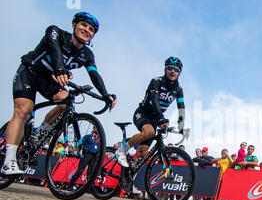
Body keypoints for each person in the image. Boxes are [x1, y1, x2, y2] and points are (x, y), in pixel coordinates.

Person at [2, 12, 117, 176]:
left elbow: (94, 74)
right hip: (29, 73)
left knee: (66, 101)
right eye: (84, 25)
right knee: (24, 111)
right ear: (74, 25)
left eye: (91, 29)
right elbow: (55, 50)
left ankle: (40, 133)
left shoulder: (87, 54)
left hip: (49, 81)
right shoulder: (55, 32)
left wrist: (106, 95)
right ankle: (9, 161)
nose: (87, 30)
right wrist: (60, 68)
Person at [117, 57, 185, 168]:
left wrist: (181, 124)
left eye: (176, 69)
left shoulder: (179, 89)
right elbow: (154, 100)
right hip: (143, 113)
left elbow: (181, 107)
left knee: (142, 154)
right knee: (149, 133)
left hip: (155, 118)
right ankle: (122, 150)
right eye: (170, 68)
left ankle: (129, 178)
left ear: (179, 72)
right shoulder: (156, 81)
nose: (173, 71)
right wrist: (161, 118)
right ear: (165, 70)